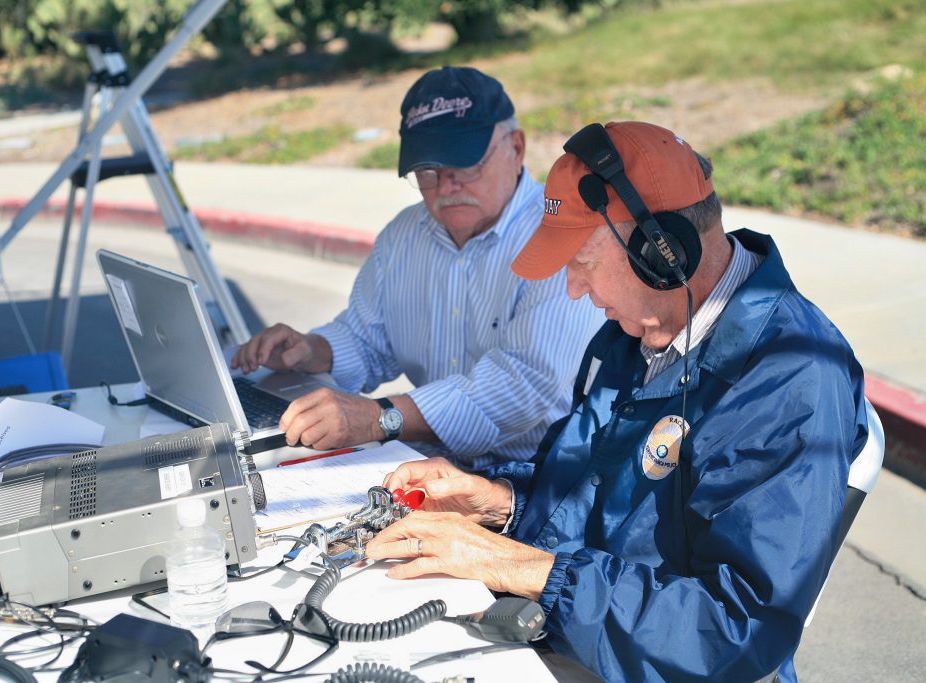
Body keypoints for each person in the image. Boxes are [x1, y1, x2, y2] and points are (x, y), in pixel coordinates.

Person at [365, 121, 869, 681]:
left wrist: (524, 567)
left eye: (582, 262)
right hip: (569, 634)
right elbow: (593, 493)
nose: (574, 290)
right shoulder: (634, 334)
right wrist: (499, 503)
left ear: (663, 251)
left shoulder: (791, 378)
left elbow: (735, 627)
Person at [232, 67, 604, 468]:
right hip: (427, 462)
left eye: (465, 166)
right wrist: (312, 351)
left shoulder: (557, 234)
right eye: (427, 172)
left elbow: (523, 386)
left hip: (538, 475)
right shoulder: (404, 235)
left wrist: (380, 418)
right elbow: (368, 339)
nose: (445, 187)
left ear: (516, 148)